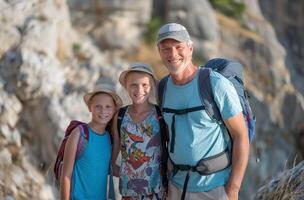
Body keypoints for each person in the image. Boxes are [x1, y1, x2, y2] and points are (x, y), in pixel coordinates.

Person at [156, 23, 249, 200]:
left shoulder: (214, 84)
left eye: (179, 47)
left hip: (214, 188)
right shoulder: (162, 88)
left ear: (190, 48)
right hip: (176, 187)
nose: (173, 54)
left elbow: (241, 135)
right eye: (166, 49)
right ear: (159, 52)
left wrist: (233, 189)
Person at [111, 63, 166, 200]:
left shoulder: (160, 114)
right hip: (128, 194)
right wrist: (128, 175)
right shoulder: (120, 116)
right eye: (133, 85)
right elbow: (112, 160)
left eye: (144, 85)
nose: (139, 89)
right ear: (126, 87)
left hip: (157, 192)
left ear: (151, 86)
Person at [60, 83, 122, 200]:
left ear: (114, 110)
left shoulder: (109, 138)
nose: (103, 110)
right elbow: (66, 176)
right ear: (90, 108)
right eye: (98, 106)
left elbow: (110, 167)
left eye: (108, 107)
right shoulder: (79, 134)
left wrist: (136, 174)